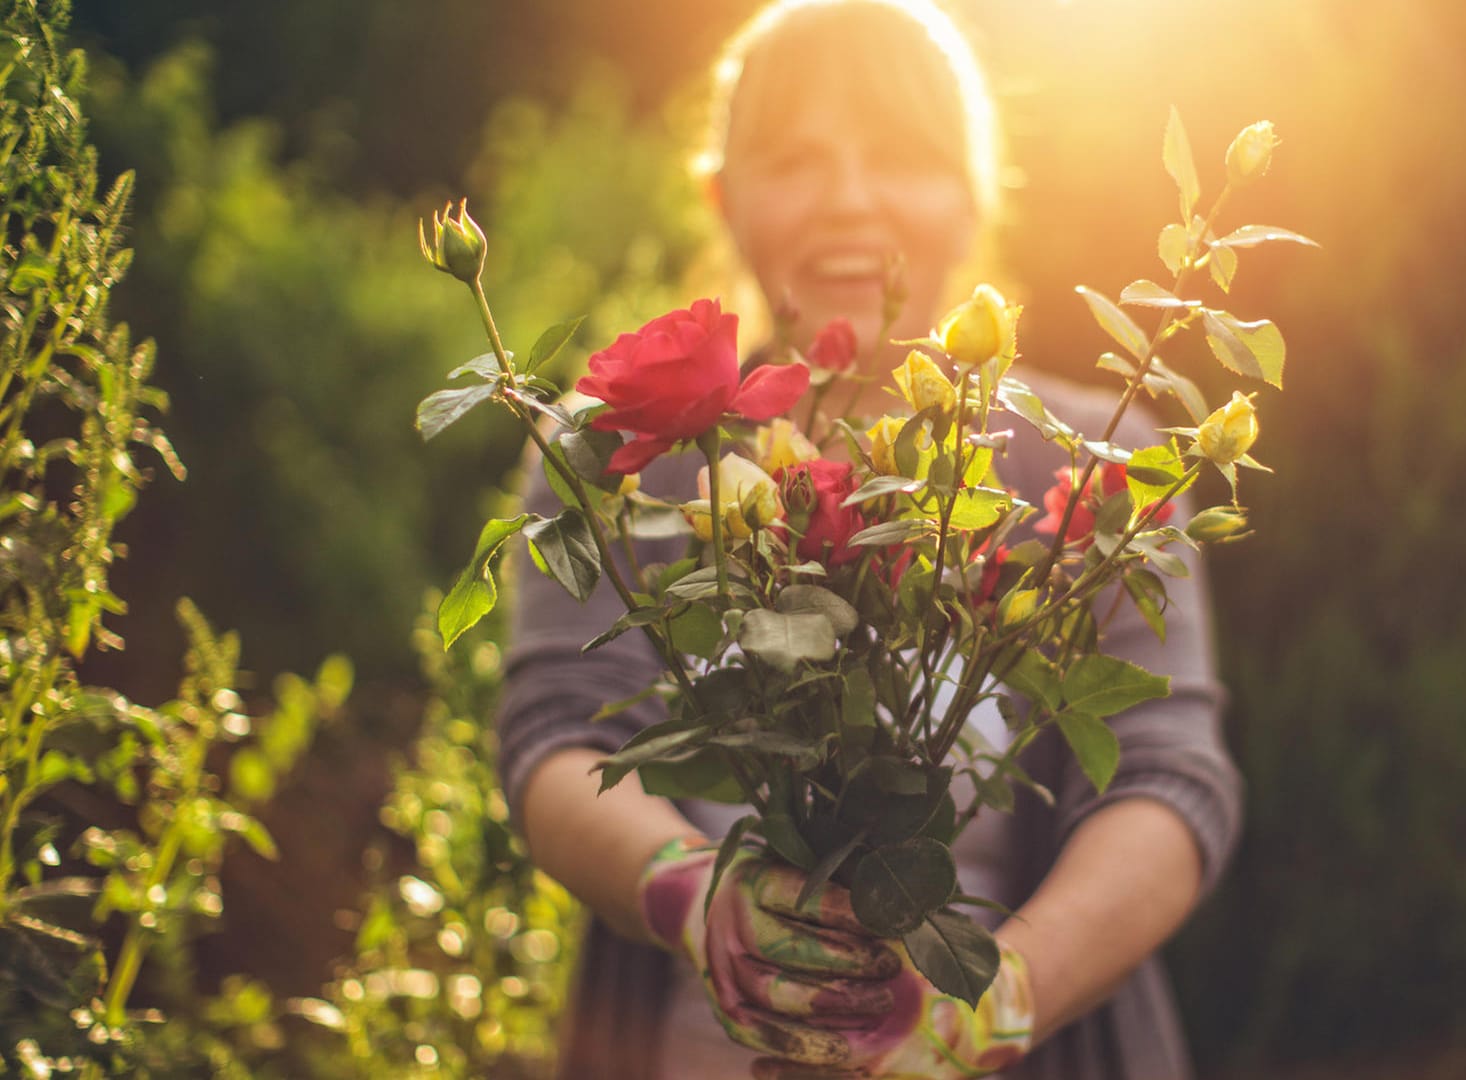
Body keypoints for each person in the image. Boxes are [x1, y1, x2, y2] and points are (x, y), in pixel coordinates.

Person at [493, 1, 1243, 1076]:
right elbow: (554, 737)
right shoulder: (616, 457)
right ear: (721, 194)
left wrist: (994, 1004)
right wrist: (692, 893)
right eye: (796, 159)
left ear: (976, 190)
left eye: (900, 154)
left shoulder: (1098, 462)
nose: (848, 198)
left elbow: (1168, 786)